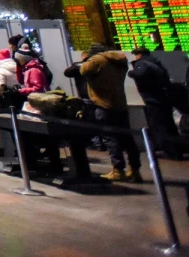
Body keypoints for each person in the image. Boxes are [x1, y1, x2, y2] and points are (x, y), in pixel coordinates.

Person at [65, 43, 141, 182]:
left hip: (103, 104)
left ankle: (118, 170)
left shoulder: (97, 60)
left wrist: (84, 61)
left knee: (110, 138)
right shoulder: (119, 60)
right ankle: (135, 170)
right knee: (127, 138)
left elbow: (81, 71)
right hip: (120, 103)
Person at [130, 47, 181, 160]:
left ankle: (169, 151)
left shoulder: (142, 63)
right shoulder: (156, 62)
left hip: (153, 100)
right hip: (163, 98)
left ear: (139, 54)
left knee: (159, 126)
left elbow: (140, 73)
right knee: (169, 125)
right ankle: (177, 150)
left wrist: (131, 72)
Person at [17, 49, 62, 171]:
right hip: (35, 103)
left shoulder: (34, 70)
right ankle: (46, 160)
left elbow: (38, 87)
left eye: (18, 59)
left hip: (40, 105)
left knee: (44, 134)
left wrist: (21, 91)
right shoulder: (28, 69)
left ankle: (54, 163)